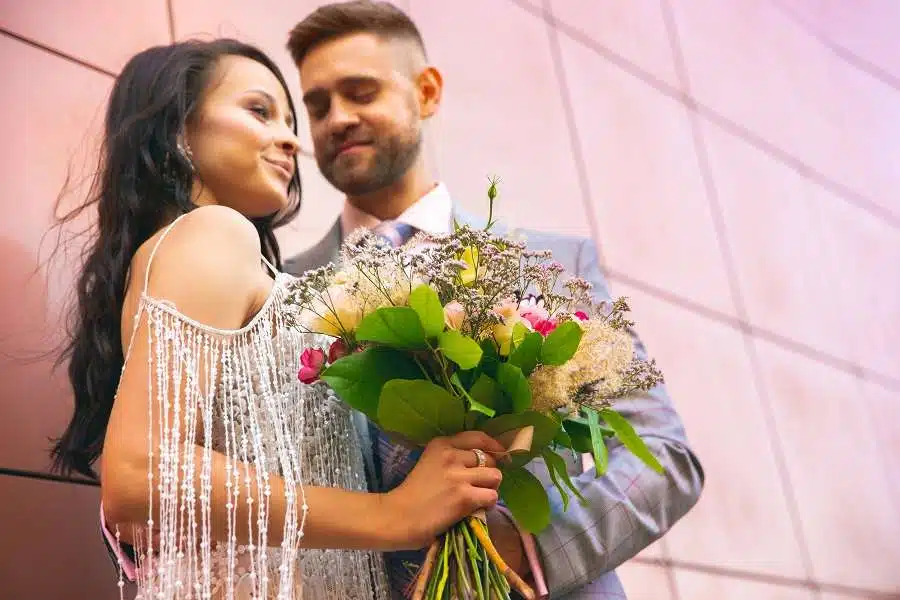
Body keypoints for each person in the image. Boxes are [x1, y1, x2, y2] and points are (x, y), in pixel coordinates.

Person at [50, 38, 507, 600]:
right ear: (178, 131)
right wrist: (393, 514)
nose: (291, 137)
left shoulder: (203, 256)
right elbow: (140, 474)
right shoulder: (213, 233)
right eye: (258, 110)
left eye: (289, 119)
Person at [283, 2, 705, 598]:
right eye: (318, 105)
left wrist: (522, 549)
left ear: (426, 93)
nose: (337, 119)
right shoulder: (285, 293)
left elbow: (662, 456)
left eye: (361, 92)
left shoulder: (556, 265)